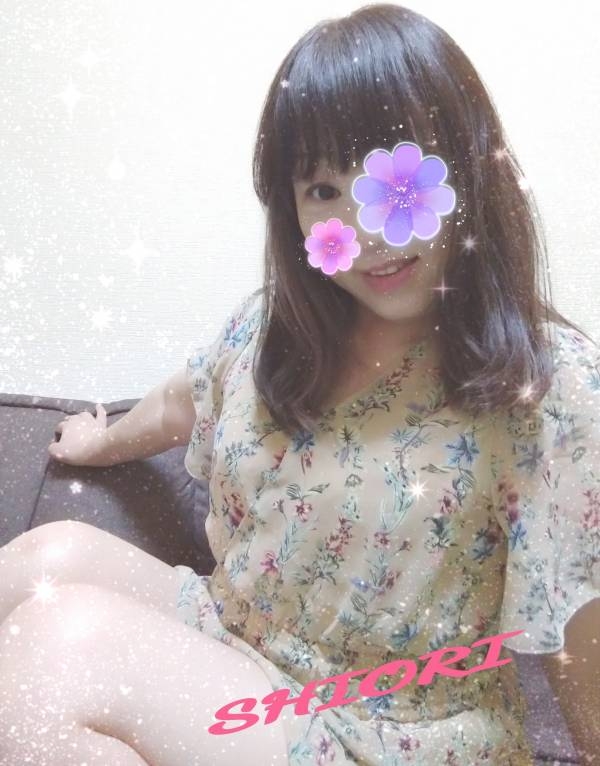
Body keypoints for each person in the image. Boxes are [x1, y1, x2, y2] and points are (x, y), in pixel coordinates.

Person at [3, 3, 598, 765]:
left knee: (65, 645)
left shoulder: (550, 384)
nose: (366, 228)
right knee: (47, 557)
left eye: (395, 181)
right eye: (323, 189)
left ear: (470, 169)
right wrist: (99, 443)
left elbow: (583, 626)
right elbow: (183, 400)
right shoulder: (277, 329)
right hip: (241, 636)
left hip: (382, 719)